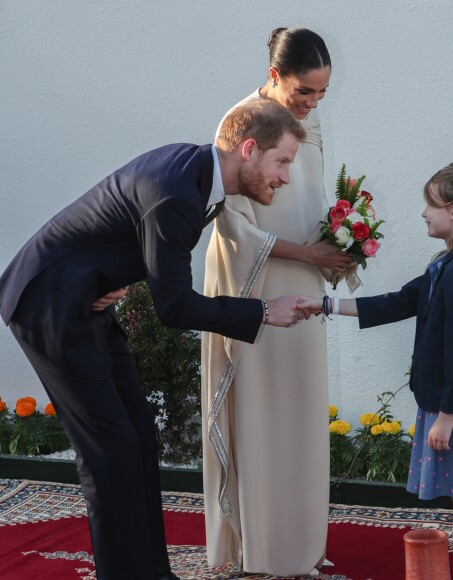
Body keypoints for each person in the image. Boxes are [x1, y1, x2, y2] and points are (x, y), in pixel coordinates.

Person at [0, 98, 309, 580]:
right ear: (249, 149)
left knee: (139, 434)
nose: (286, 176)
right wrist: (264, 311)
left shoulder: (194, 176)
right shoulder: (178, 192)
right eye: (282, 162)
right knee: (110, 451)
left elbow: (126, 234)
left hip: (85, 297)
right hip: (49, 304)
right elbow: (175, 306)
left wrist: (108, 273)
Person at [300, 162, 453, 580]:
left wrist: (446, 417)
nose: (424, 212)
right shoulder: (450, 265)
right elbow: (398, 302)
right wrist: (326, 304)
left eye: (430, 204)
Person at [202, 28, 353, 576]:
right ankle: (260, 548)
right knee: (262, 410)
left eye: (320, 95)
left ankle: (302, 544)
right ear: (274, 76)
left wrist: (344, 239)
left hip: (306, 282)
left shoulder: (306, 132)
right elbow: (233, 225)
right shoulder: (238, 124)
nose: (311, 105)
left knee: (302, 407)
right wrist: (308, 255)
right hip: (254, 288)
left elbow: (310, 201)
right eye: (302, 92)